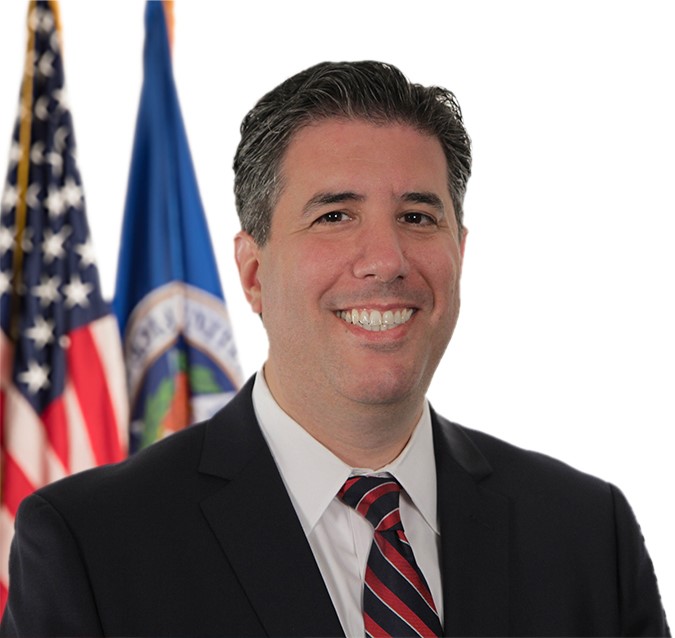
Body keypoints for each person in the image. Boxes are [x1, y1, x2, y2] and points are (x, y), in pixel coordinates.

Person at [0, 61, 669, 637]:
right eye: (334, 216)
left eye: (417, 217)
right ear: (253, 272)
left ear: (459, 254)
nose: (386, 259)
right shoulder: (91, 545)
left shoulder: (587, 534)